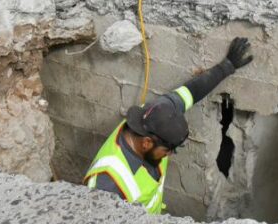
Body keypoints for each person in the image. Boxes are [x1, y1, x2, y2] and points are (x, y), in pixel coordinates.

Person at [84, 37, 254, 213]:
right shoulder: (107, 183)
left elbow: (190, 93)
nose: (170, 155)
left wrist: (226, 67)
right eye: (168, 150)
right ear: (147, 143)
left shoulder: (153, 115)